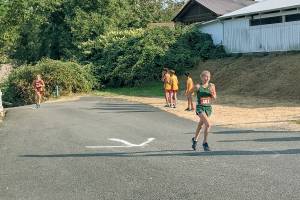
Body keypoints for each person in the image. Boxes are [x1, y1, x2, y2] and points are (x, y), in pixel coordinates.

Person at [192, 70, 216, 151]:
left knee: (201, 124)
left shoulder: (212, 86)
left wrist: (212, 93)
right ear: (201, 77)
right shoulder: (198, 86)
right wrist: (192, 96)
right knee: (208, 124)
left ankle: (195, 140)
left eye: (208, 77)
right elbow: (189, 93)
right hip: (200, 107)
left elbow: (214, 97)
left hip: (208, 108)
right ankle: (205, 143)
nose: (207, 78)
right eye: (205, 76)